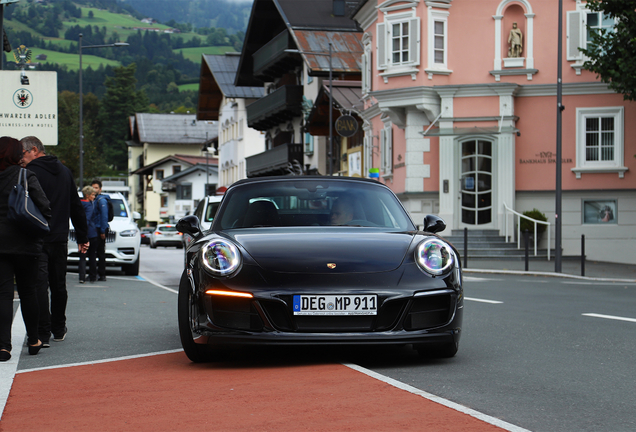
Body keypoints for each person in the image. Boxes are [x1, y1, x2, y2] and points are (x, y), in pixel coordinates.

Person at [21, 136, 89, 347]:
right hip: (59, 236)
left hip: (36, 236)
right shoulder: (65, 171)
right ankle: (59, 327)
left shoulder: (29, 173)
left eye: (22, 155)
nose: (20, 160)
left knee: (39, 284)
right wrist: (82, 236)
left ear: (33, 150)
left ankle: (43, 331)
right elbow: (75, 205)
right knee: (59, 284)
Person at [0, 137, 51, 360]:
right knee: (28, 291)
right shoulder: (25, 175)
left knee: (3, 295)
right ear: (15, 154)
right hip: (26, 243)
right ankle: (33, 339)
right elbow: (44, 206)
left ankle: (3, 346)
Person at [91, 179, 110, 282]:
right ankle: (96, 274)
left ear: (100, 189)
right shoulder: (94, 200)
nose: (94, 189)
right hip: (95, 228)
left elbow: (104, 216)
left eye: (96, 188)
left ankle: (101, 274)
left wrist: (103, 230)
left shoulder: (101, 200)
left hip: (99, 229)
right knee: (95, 252)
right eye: (93, 187)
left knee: (100, 253)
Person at [79, 185, 98, 283]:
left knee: (82, 255)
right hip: (91, 232)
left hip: (81, 233)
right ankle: (92, 276)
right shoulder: (89, 205)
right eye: (93, 195)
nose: (94, 197)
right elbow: (88, 218)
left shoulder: (79, 203)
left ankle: (81, 276)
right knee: (92, 255)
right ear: (87, 195)